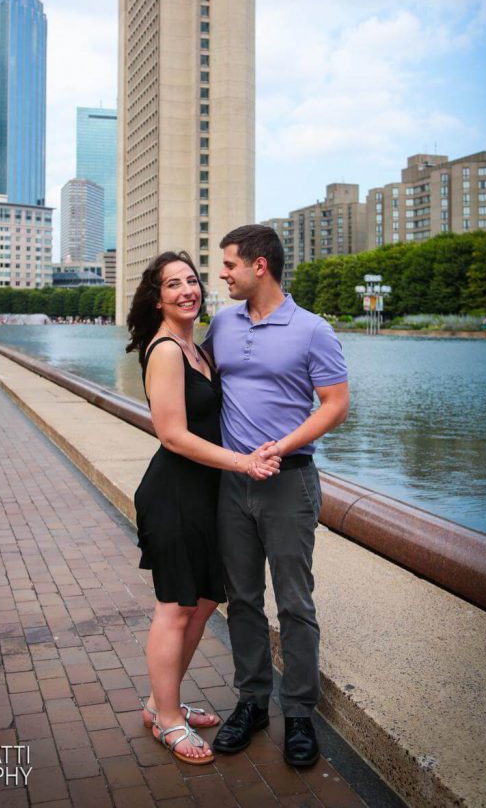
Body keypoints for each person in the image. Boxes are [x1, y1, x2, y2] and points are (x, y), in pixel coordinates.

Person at [127, 250, 281, 766]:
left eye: (192, 280)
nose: (188, 290)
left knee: (206, 597)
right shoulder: (167, 349)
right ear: (158, 298)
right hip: (174, 493)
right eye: (174, 285)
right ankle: (167, 721)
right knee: (176, 606)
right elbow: (172, 435)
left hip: (204, 494)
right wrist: (243, 463)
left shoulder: (198, 347)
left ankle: (160, 700)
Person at [203, 225, 349, 768]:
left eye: (229, 265)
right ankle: (252, 702)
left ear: (259, 265)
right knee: (241, 598)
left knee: (294, 603)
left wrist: (280, 446)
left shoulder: (312, 329)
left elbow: (335, 404)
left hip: (289, 481)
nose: (223, 274)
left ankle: (300, 713)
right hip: (233, 482)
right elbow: (199, 379)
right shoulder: (222, 322)